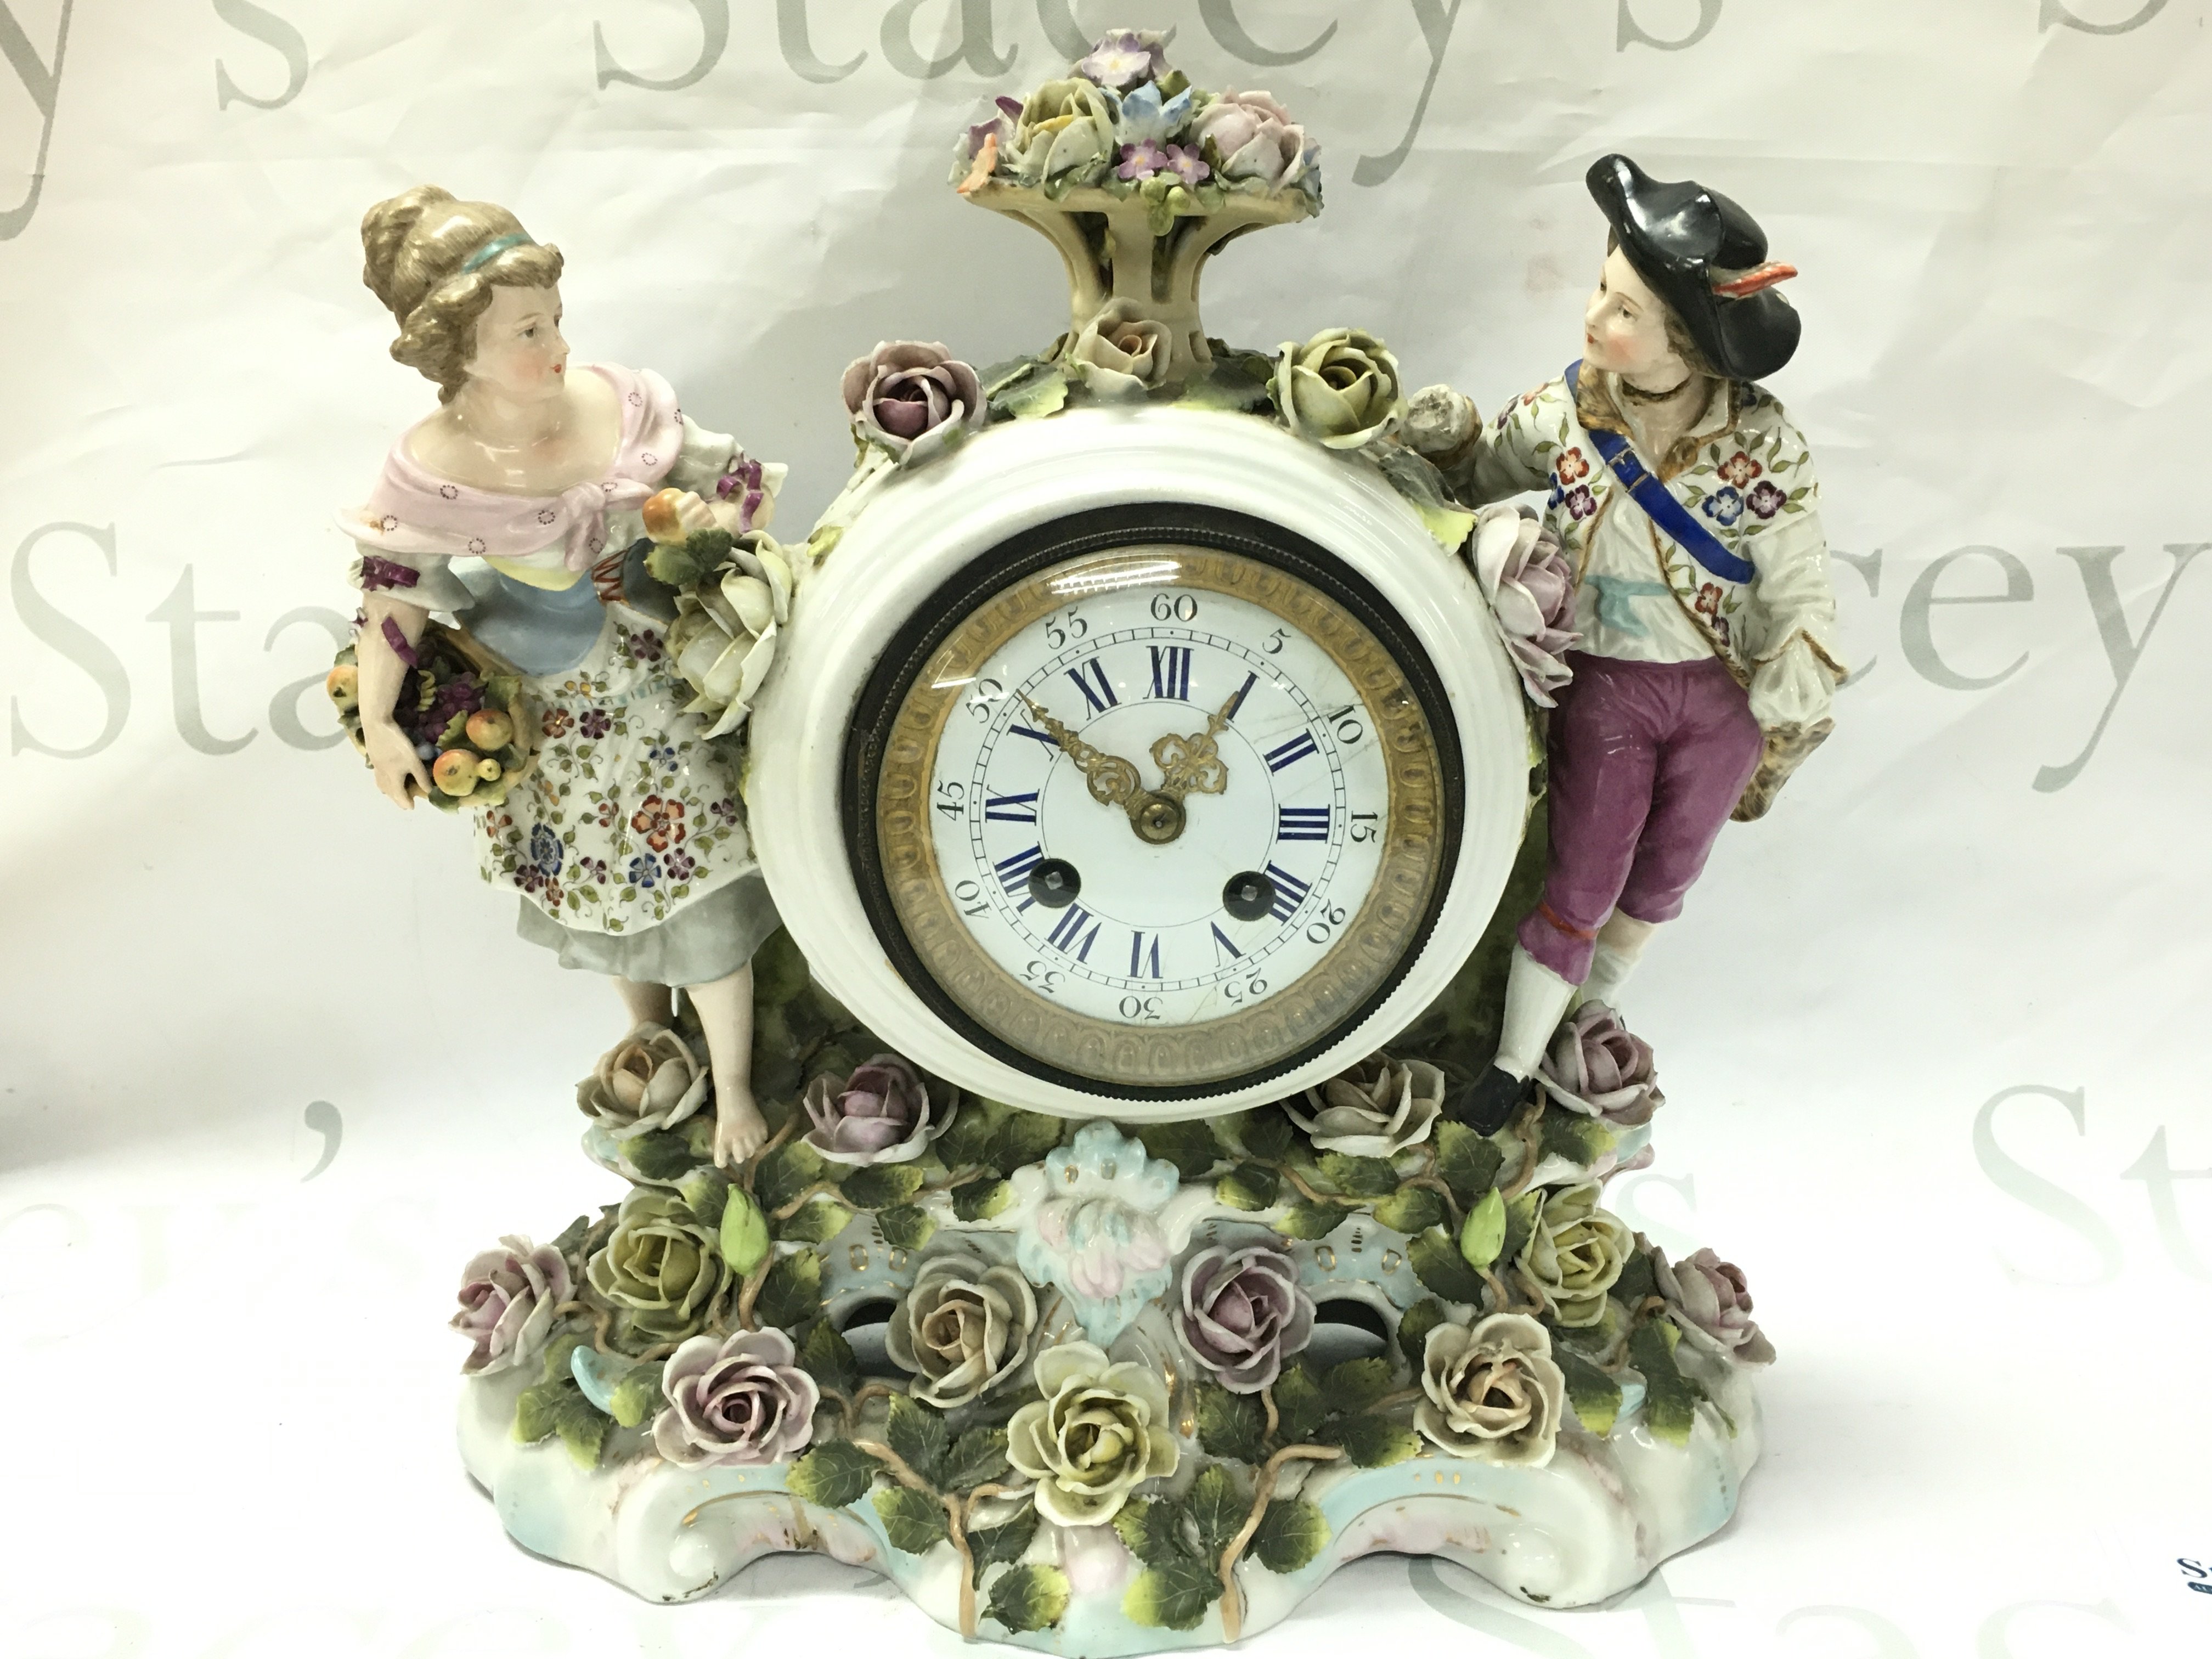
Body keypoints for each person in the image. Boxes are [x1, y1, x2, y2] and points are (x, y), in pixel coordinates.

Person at [339, 185, 782, 1165]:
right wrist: (382, 724)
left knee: (706, 910)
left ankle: (738, 1087)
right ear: (457, 351)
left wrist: (702, 534)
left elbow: (740, 487)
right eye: (527, 331)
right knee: (611, 899)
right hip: (562, 731)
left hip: (676, 702)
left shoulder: (625, 408)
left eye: (555, 319)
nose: (558, 347)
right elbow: (394, 599)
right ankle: (653, 1043)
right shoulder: (433, 471)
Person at [1406, 155, 1844, 1133]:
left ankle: (1579, 1027)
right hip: (1607, 683)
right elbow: (1475, 478)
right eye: (1603, 291)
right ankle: (1509, 1068)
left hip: (1718, 697)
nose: (1597, 318)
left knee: (1659, 886)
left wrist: (1800, 662)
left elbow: (1796, 569)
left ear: (1687, 340)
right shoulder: (1565, 414)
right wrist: (1441, 443)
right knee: (1583, 879)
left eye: (1628, 310)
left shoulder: (1763, 444)